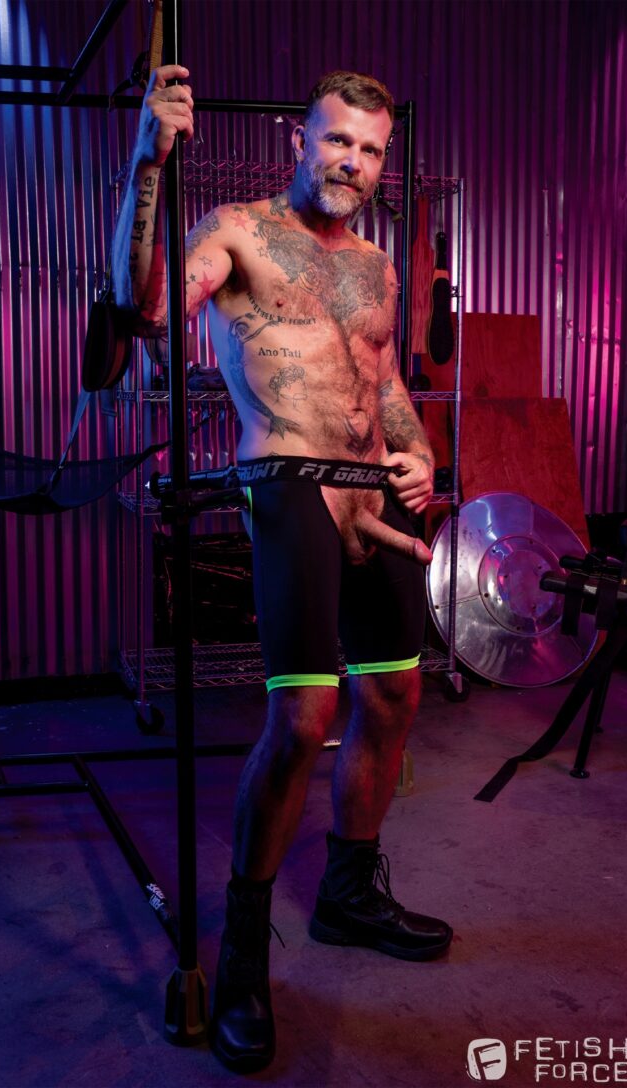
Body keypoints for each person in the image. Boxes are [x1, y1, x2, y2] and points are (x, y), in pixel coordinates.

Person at [113, 66, 452, 1074]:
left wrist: (419, 451)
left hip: (375, 492)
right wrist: (144, 167)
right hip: (289, 480)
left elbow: (380, 378)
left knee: (391, 699)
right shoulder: (235, 231)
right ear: (297, 141)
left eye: (371, 150)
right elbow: (140, 309)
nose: (353, 162)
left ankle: (347, 894)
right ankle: (244, 952)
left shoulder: (377, 266)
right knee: (303, 719)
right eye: (337, 140)